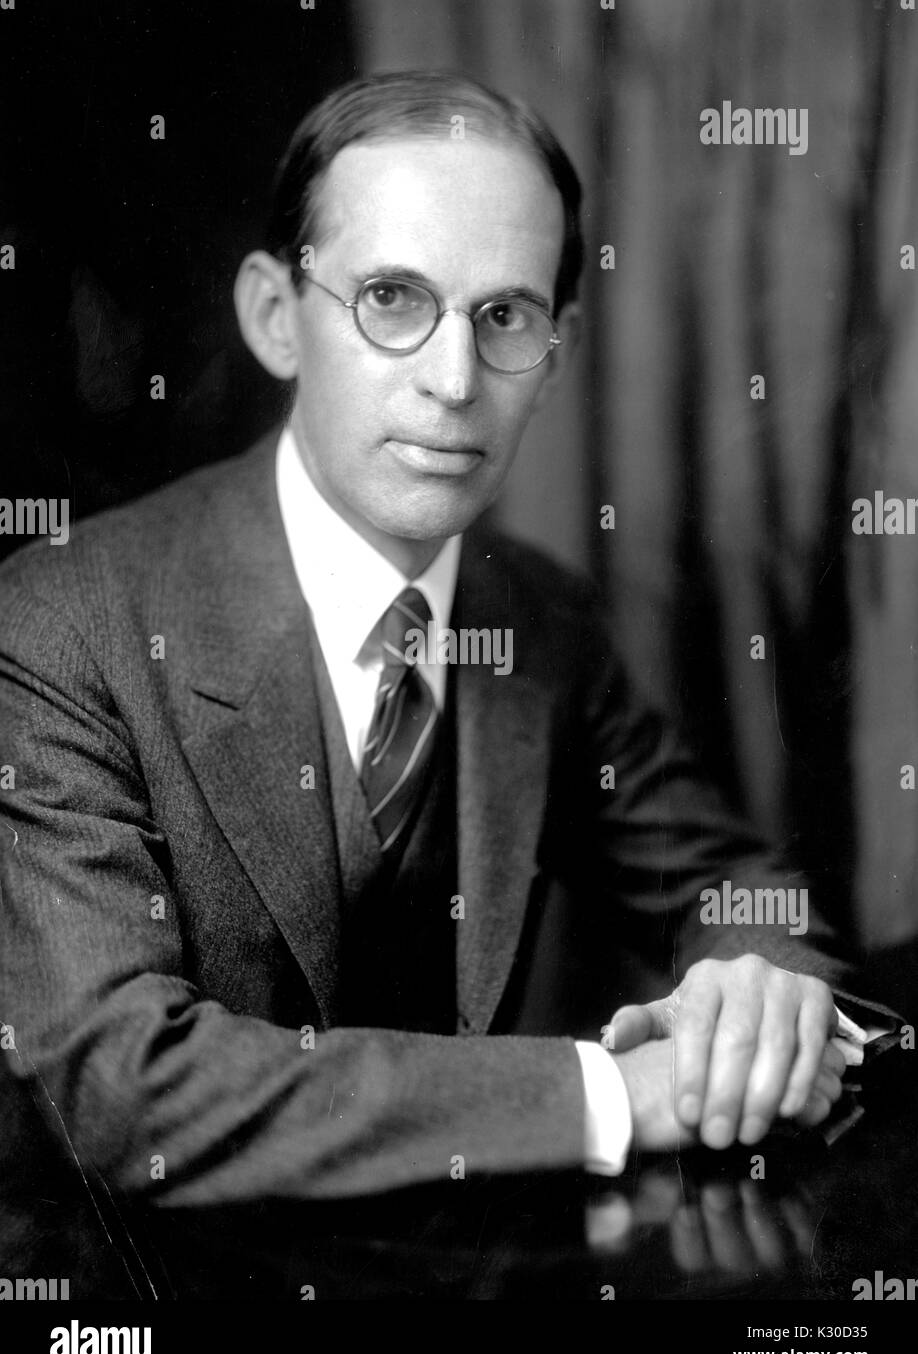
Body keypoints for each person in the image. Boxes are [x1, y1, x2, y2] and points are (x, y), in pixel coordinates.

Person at [0, 72, 893, 1206]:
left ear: (557, 353)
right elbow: (123, 1089)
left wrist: (762, 987)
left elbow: (724, 877)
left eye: (504, 316)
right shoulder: (57, 623)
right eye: (390, 298)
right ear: (278, 318)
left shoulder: (542, 622)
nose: (454, 379)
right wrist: (618, 1094)